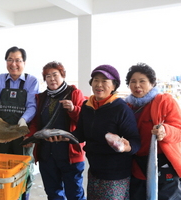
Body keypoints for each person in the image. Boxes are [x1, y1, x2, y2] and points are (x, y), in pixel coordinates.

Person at [0, 46, 39, 200]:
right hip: (1, 132)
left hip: (22, 133)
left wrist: (24, 120)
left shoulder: (31, 81)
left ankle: (24, 197)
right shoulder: (0, 79)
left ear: (24, 62)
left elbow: (32, 105)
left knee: (23, 168)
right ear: (6, 62)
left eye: (18, 60)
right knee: (2, 166)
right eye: (10, 60)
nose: (13, 64)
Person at [70, 64, 141, 199]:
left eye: (104, 81)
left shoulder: (121, 109)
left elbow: (135, 141)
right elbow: (80, 134)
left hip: (116, 175)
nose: (99, 84)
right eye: (96, 80)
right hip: (94, 171)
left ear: (114, 86)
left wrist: (127, 147)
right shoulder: (87, 106)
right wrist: (63, 137)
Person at [26, 61, 87, 200]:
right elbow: (36, 122)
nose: (52, 78)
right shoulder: (41, 97)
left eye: (55, 74)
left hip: (69, 155)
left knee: (75, 194)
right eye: (48, 76)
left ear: (63, 75)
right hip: (47, 154)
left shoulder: (74, 93)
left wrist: (73, 109)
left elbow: (84, 121)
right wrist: (30, 136)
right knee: (53, 193)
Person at [125, 63, 181, 200]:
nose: (137, 85)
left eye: (142, 81)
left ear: (152, 83)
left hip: (163, 163)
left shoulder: (164, 101)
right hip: (136, 165)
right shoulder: (126, 106)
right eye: (133, 82)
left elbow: (178, 129)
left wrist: (165, 131)